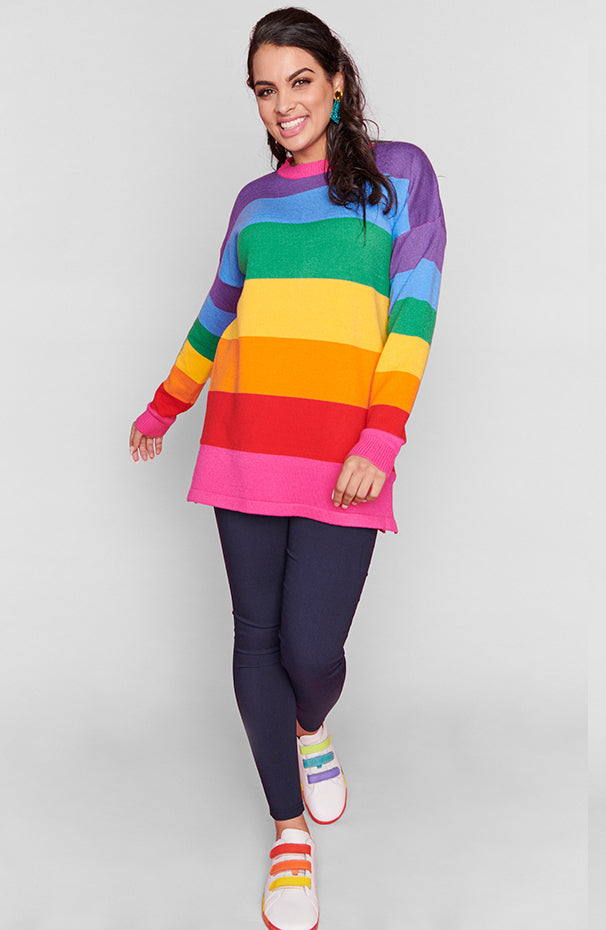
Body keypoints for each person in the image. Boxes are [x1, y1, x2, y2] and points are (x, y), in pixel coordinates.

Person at [129, 7, 446, 929]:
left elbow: (414, 311)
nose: (283, 105)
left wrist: (380, 439)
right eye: (265, 90)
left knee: (311, 651)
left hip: (346, 458)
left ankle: (311, 728)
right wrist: (165, 405)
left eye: (299, 81)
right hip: (242, 445)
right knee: (256, 639)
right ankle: (288, 834)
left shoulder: (402, 175)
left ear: (336, 81)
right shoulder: (252, 202)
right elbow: (216, 313)